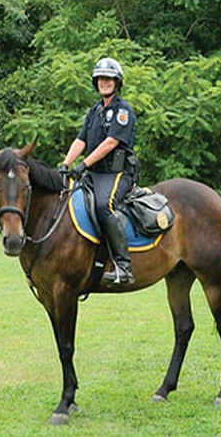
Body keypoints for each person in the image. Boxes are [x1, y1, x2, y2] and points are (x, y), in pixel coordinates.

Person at [60, 57, 137, 284]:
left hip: (117, 173)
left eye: (109, 78)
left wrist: (83, 165)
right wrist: (65, 164)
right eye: (101, 78)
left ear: (117, 82)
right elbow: (80, 140)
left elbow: (111, 142)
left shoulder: (123, 111)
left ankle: (124, 266)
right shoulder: (93, 112)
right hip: (95, 174)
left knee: (105, 205)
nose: (104, 82)